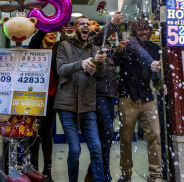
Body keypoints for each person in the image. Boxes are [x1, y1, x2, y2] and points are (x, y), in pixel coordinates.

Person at [55, 15, 107, 182]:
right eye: (82, 24)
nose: (86, 26)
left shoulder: (95, 48)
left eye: (87, 24)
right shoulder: (63, 46)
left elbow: (100, 74)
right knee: (75, 149)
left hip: (88, 105)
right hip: (66, 104)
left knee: (97, 148)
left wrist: (100, 64)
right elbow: (61, 69)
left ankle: (99, 180)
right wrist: (81, 63)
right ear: (75, 28)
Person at [114, 18, 165, 182]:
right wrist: (118, 52)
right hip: (126, 97)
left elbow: (155, 71)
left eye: (146, 29)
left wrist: (160, 84)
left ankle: (156, 175)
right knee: (126, 138)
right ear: (134, 32)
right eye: (140, 30)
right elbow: (115, 62)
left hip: (147, 98)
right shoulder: (127, 45)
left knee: (155, 135)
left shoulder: (154, 47)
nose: (144, 33)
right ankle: (126, 173)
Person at [84, 13, 124, 182]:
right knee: (106, 135)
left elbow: (113, 63)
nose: (94, 25)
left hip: (109, 95)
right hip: (98, 94)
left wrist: (119, 51)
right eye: (90, 23)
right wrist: (112, 23)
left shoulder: (106, 43)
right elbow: (100, 37)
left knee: (103, 137)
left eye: (95, 23)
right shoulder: (91, 42)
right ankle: (104, 176)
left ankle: (93, 174)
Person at [27, 27, 67, 182]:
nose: (52, 34)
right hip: (34, 97)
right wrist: (48, 26)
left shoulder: (57, 50)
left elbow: (62, 47)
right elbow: (36, 40)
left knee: (46, 133)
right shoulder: (35, 48)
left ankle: (47, 170)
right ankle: (34, 167)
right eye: (49, 32)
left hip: (51, 98)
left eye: (53, 32)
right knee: (34, 133)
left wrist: (62, 37)